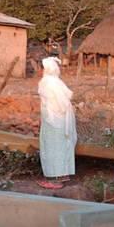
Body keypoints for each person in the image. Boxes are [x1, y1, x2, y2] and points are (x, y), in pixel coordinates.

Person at [36, 57, 77, 190]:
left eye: (41, 67)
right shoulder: (57, 82)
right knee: (61, 147)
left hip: (53, 121)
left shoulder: (46, 82)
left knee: (52, 148)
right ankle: (61, 176)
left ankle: (55, 180)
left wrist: (49, 116)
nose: (39, 70)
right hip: (60, 119)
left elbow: (53, 104)